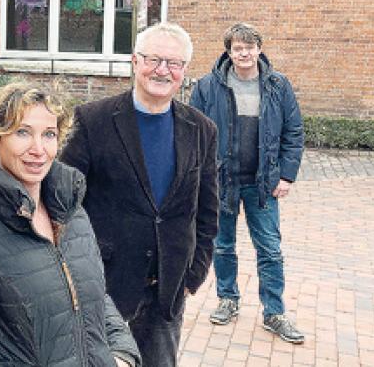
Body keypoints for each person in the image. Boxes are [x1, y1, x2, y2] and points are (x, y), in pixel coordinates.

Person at [0, 81, 142, 367]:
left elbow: (93, 295)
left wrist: (122, 354)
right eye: (23, 132)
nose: (38, 149)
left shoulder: (73, 214)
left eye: (49, 134)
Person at [61, 22, 219, 367]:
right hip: (104, 286)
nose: (162, 70)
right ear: (135, 61)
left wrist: (194, 273)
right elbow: (63, 202)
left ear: (184, 71)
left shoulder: (202, 129)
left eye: (173, 63)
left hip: (166, 291)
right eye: (153, 59)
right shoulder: (93, 120)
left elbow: (207, 211)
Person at [189, 22, 305, 344]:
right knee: (222, 245)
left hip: (262, 183)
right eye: (237, 48)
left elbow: (293, 133)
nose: (244, 53)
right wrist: (199, 176)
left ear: (259, 49)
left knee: (269, 249)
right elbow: (191, 133)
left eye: (249, 47)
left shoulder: (278, 86)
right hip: (221, 181)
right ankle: (227, 298)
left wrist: (286, 175)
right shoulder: (208, 86)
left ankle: (274, 312)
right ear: (229, 51)